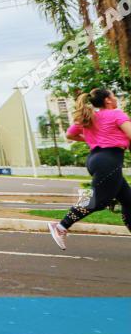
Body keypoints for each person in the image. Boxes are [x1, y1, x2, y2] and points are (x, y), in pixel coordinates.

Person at [48, 88, 131, 249]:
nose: (115, 99)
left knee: (129, 200)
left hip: (97, 159)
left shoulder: (90, 116)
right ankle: (60, 226)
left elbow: (70, 135)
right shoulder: (116, 114)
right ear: (107, 100)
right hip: (109, 161)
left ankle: (61, 226)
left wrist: (91, 138)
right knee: (98, 201)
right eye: (113, 96)